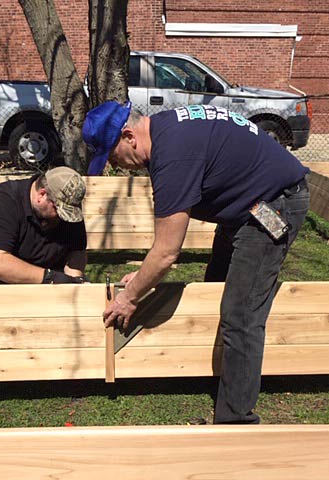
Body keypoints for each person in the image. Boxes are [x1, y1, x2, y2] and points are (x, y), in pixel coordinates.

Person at [83, 101, 310, 424]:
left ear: (129, 136)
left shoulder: (174, 154)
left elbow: (166, 253)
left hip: (273, 206)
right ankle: (218, 373)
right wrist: (145, 276)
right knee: (215, 285)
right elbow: (163, 244)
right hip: (250, 203)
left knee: (241, 313)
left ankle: (235, 420)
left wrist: (129, 296)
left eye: (113, 156)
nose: (118, 167)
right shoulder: (165, 133)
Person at [0, 166, 87, 285]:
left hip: (48, 273)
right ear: (42, 195)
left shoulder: (70, 211)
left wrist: (74, 281)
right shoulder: (1, 202)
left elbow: (76, 252)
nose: (61, 217)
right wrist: (50, 278)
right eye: (59, 211)